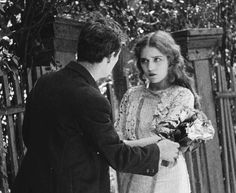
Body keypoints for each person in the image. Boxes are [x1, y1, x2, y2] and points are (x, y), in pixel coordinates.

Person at [11, 20, 180, 193]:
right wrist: (159, 151)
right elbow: (117, 156)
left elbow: (29, 135)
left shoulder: (44, 82)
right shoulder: (92, 99)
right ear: (111, 56)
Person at [115, 30, 202, 193]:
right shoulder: (131, 95)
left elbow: (166, 141)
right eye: (144, 61)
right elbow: (118, 135)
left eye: (157, 60)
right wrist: (118, 146)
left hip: (168, 180)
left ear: (170, 60)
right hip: (132, 180)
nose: (150, 67)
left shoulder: (182, 96)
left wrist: (122, 147)